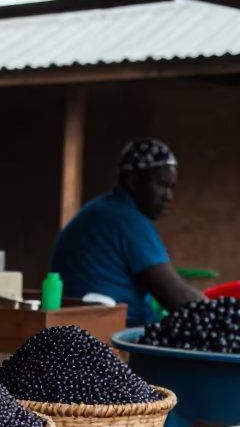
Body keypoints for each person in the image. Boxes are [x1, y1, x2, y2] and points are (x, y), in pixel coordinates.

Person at [50, 138, 204, 326]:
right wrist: (225, 315)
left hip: (74, 327)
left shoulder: (100, 210)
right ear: (133, 181)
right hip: (109, 335)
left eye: (171, 188)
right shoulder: (127, 220)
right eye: (161, 185)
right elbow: (176, 299)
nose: (168, 197)